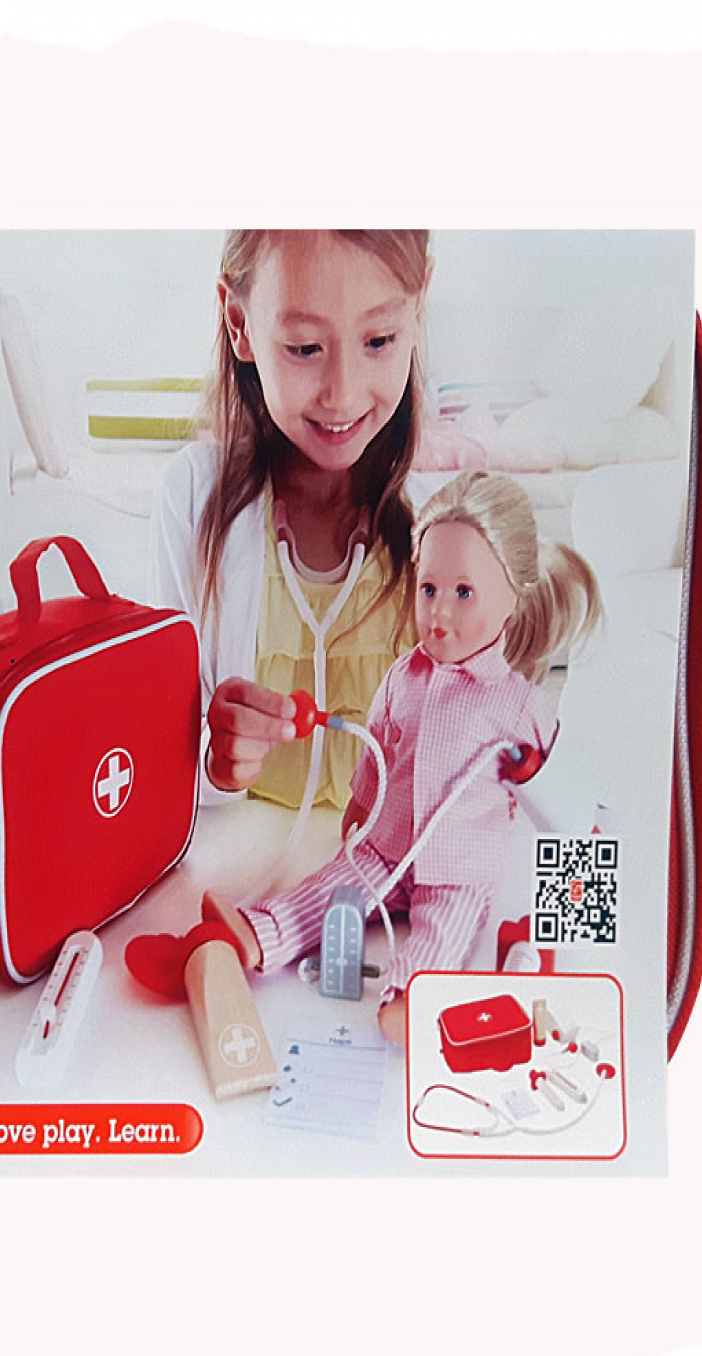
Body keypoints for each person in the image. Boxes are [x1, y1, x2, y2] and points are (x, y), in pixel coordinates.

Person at [203, 471, 603, 1043]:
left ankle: (413, 993)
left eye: (463, 593)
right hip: (386, 845)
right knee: (333, 889)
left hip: (458, 869)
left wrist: (569, 846)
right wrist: (361, 807)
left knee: (445, 928)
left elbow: (565, 804)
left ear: (513, 598)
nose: (439, 613)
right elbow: (377, 750)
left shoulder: (516, 704)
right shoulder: (402, 677)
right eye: (429, 589)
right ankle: (259, 934)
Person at [149, 229, 432, 809]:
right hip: (245, 854)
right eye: (305, 348)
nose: (342, 395)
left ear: (418, 308)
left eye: (379, 340)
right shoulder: (193, 500)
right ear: (239, 323)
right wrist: (212, 762)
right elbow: (154, 756)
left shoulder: (445, 524)